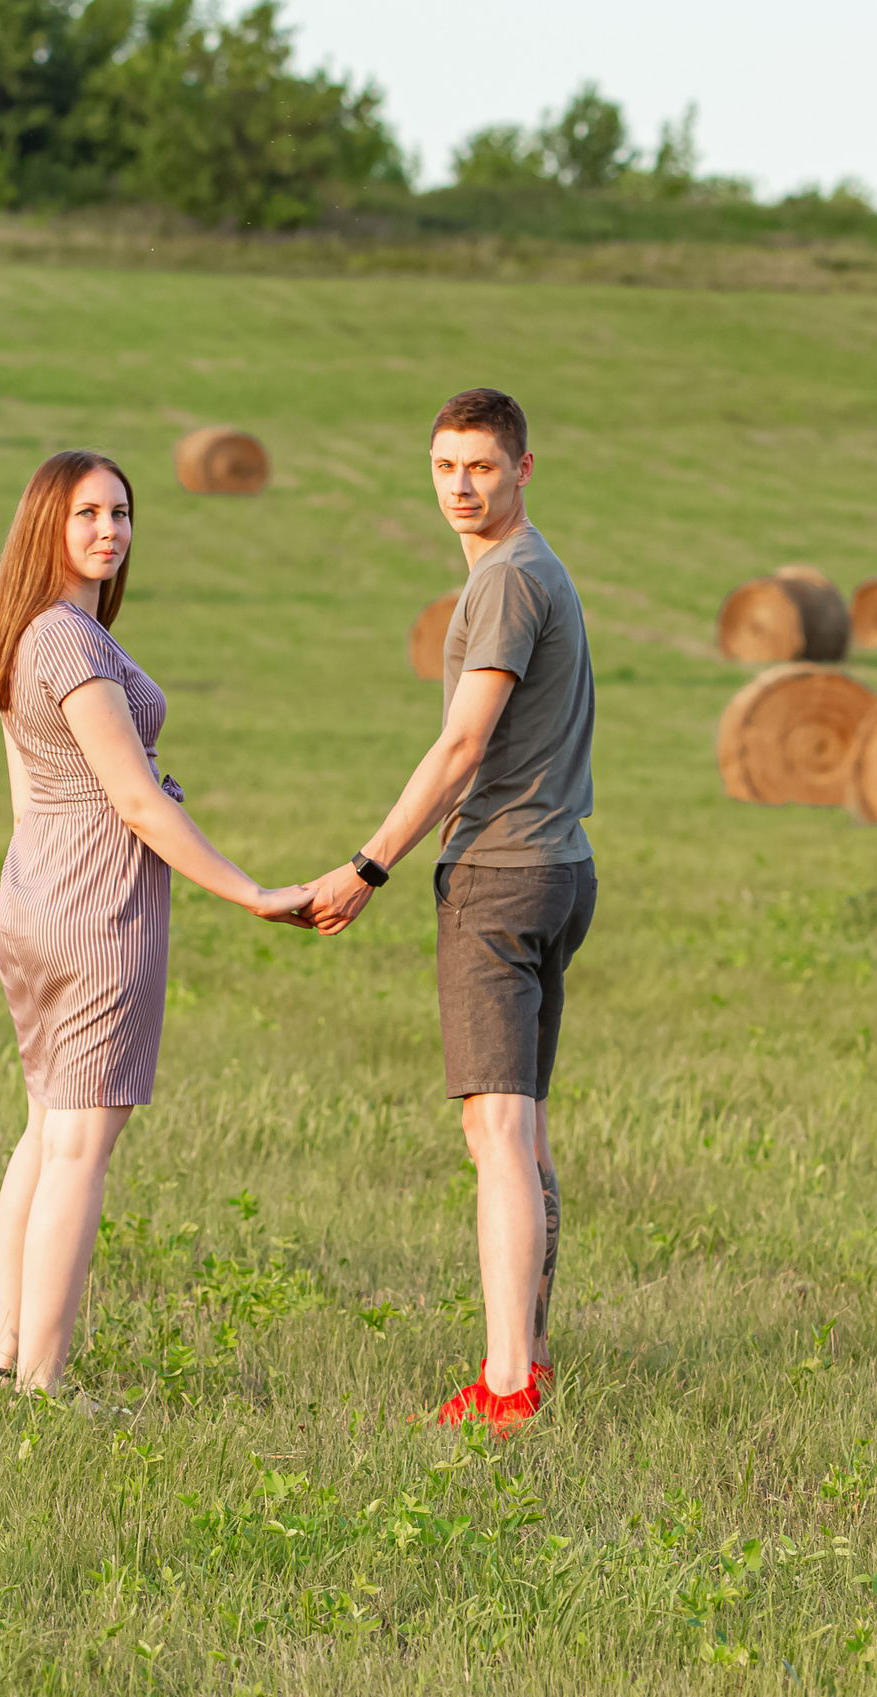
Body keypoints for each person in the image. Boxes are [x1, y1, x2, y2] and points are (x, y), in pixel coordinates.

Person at [0, 449, 316, 1399]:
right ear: (48, 525)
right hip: (95, 906)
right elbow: (135, 801)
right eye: (86, 514)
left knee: (44, 1129)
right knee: (79, 1146)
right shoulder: (68, 641)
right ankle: (41, 1383)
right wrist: (252, 891)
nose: (109, 530)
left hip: (35, 893)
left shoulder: (28, 633)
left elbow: (28, 794)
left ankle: (9, 1355)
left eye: (120, 513)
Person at [305, 388, 596, 1435]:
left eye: (479, 466)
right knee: (522, 1132)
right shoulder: (533, 570)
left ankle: (508, 1385)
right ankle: (533, 1360)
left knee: (498, 1134)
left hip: (502, 874)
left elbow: (462, 744)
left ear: (523, 467)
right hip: (557, 866)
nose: (460, 486)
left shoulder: (509, 582)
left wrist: (366, 867)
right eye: (443, 467)